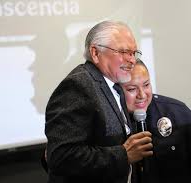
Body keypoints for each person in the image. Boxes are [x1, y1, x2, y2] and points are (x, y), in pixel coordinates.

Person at [44, 20, 153, 183]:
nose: (131, 60)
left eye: (133, 53)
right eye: (123, 51)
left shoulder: (114, 86)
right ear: (95, 53)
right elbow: (61, 157)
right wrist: (123, 155)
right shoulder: (78, 86)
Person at [121, 60, 191, 183]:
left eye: (146, 85)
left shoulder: (176, 112)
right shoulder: (109, 122)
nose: (142, 95)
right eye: (132, 89)